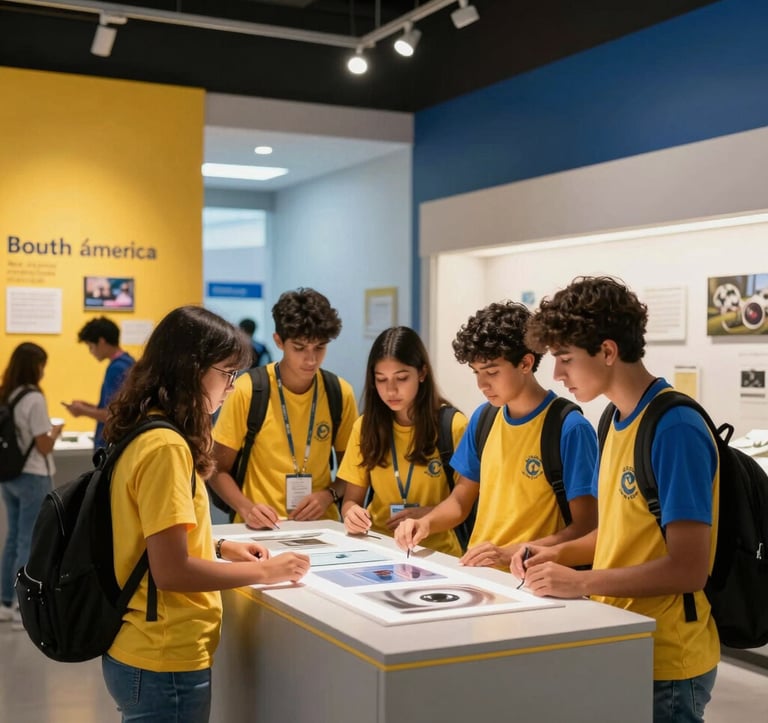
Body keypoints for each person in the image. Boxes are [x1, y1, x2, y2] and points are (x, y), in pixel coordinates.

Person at [513, 276, 719, 723]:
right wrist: (551, 554)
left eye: (565, 360)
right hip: (621, 640)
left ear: (607, 351)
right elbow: (621, 534)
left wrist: (581, 583)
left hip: (667, 659)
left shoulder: (674, 427)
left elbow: (689, 568)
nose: (557, 376)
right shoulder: (613, 418)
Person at [101, 305, 310, 723]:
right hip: (164, 654)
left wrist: (217, 545)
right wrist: (266, 573)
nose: (231, 387)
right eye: (227, 373)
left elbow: (151, 537)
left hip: (145, 648)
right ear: (193, 369)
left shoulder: (148, 428)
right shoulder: (166, 447)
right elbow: (172, 572)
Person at [395, 300, 597, 569]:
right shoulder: (483, 418)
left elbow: (586, 528)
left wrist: (509, 554)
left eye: (491, 372)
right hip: (478, 573)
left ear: (525, 363)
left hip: (533, 582)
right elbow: (459, 502)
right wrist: (425, 523)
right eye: (476, 372)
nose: (482, 384)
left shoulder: (569, 428)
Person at [210, 288, 358, 529]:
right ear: (279, 341)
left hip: (322, 529)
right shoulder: (248, 390)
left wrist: (328, 495)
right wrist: (247, 508)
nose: (311, 360)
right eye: (299, 348)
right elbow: (217, 469)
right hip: (259, 530)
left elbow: (352, 472)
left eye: (319, 347)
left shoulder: (340, 393)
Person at [338, 326, 467, 556]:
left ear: (422, 373)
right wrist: (351, 515)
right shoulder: (365, 427)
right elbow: (351, 501)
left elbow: (463, 503)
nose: (391, 390)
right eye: (381, 379)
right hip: (378, 549)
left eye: (402, 378)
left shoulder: (452, 426)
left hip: (437, 553)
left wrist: (428, 516)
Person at [0, 342, 63, 627]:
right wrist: (56, 432)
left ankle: (4, 602)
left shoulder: (8, 395)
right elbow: (44, 445)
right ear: (34, 366)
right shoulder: (34, 398)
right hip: (33, 475)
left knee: (13, 538)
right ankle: (22, 608)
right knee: (29, 540)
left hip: (9, 475)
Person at [65, 316, 135, 449]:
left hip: (111, 444)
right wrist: (89, 407)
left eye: (91, 346)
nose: (91, 352)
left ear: (101, 342)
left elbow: (113, 415)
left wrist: (83, 411)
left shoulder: (117, 368)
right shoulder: (127, 362)